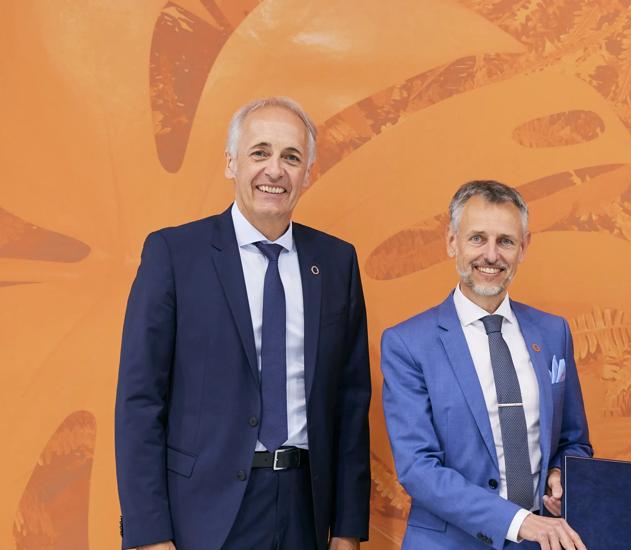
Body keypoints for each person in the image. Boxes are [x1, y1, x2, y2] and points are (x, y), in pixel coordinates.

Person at [114, 97, 371, 550]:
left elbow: (351, 405)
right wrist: (149, 534)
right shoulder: (174, 255)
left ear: (308, 172)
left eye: (291, 157)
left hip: (304, 510)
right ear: (232, 163)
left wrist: (347, 530)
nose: (275, 170)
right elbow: (140, 400)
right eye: (260, 152)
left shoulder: (335, 262)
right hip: (202, 513)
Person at [381, 180, 593, 549]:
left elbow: (574, 441)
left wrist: (563, 472)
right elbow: (418, 468)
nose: (491, 255)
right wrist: (517, 522)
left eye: (506, 241)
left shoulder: (553, 331)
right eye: (477, 238)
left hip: (541, 543)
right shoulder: (408, 344)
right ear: (452, 242)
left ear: (524, 247)